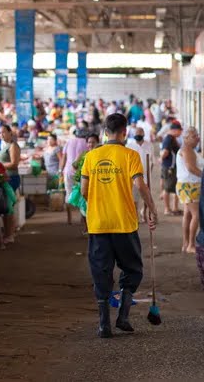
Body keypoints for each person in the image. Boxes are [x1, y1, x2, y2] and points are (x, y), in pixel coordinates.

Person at [81, 113, 157, 338]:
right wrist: (151, 208)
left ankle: (104, 325)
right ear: (124, 132)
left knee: (101, 271)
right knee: (132, 269)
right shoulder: (131, 155)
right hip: (124, 223)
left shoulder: (91, 157)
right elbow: (141, 186)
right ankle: (123, 317)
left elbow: (84, 191)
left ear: (105, 131)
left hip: (98, 224)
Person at [175, 127, 203, 254]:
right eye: (194, 136)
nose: (197, 138)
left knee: (188, 214)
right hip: (189, 186)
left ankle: (185, 244)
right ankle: (191, 244)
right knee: (196, 215)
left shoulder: (188, 149)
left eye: (197, 135)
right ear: (186, 138)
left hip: (187, 185)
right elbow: (191, 168)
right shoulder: (187, 149)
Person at [61, 129, 89, 224]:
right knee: (83, 194)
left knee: (68, 193)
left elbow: (63, 157)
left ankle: (69, 218)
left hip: (68, 170)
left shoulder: (69, 141)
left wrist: (60, 170)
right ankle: (83, 217)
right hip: (81, 172)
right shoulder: (86, 142)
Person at [127, 127, 154, 223]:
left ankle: (144, 212)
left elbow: (152, 161)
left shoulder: (149, 145)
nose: (138, 134)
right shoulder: (129, 146)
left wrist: (149, 174)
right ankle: (136, 216)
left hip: (146, 176)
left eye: (140, 133)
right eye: (136, 133)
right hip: (133, 177)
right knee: (134, 198)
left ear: (143, 134)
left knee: (147, 197)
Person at [161, 122, 182, 215]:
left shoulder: (172, 138)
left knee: (173, 188)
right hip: (169, 167)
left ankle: (174, 208)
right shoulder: (169, 139)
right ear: (174, 130)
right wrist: (160, 158)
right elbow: (165, 152)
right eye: (179, 130)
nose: (181, 132)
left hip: (172, 167)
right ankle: (167, 209)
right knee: (167, 188)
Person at [0, 124, 21, 193]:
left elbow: (14, 164)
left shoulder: (13, 146)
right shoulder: (6, 145)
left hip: (11, 178)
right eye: (0, 133)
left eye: (3, 132)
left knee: (8, 202)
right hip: (6, 178)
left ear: (10, 132)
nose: (1, 135)